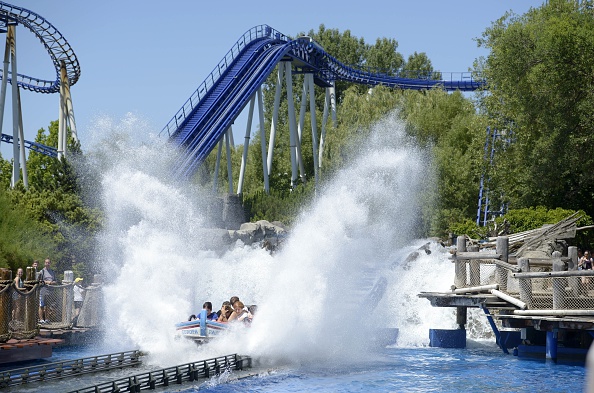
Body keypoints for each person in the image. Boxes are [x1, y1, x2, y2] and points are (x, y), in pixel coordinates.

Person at [38, 258, 57, 324]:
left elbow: (55, 281)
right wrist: (48, 282)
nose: (47, 264)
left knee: (48, 306)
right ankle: (41, 319)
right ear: (44, 263)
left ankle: (47, 319)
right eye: (46, 262)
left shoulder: (52, 272)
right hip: (43, 290)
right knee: (41, 305)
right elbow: (39, 281)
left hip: (50, 291)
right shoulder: (42, 271)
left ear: (50, 263)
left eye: (48, 263)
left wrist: (52, 282)